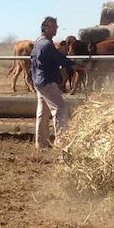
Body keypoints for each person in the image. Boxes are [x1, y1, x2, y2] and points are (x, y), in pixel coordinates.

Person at [31, 16, 89, 150]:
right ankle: (61, 143)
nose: (56, 28)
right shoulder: (47, 44)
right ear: (45, 27)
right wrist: (81, 67)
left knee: (43, 113)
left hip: (38, 81)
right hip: (47, 82)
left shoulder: (38, 42)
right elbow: (62, 60)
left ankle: (41, 144)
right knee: (60, 109)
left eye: (56, 26)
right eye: (53, 26)